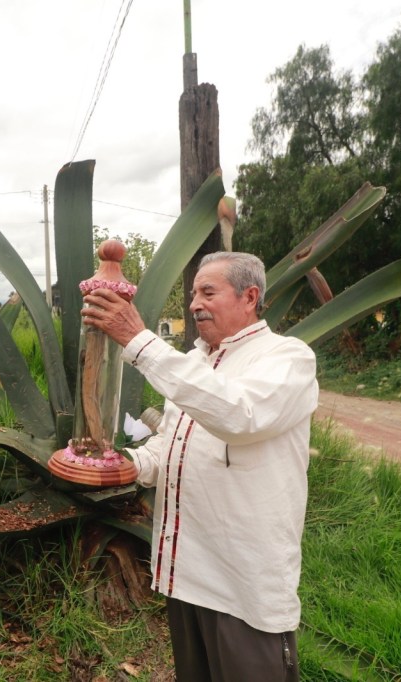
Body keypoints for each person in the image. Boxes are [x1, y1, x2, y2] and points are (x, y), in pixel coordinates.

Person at [81, 251, 318, 681]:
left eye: (208, 291)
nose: (194, 304)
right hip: (185, 574)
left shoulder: (288, 359)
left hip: (243, 584)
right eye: (193, 293)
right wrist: (123, 464)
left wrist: (139, 341)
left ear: (250, 297)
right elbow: (172, 446)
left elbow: (239, 415)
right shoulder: (194, 364)